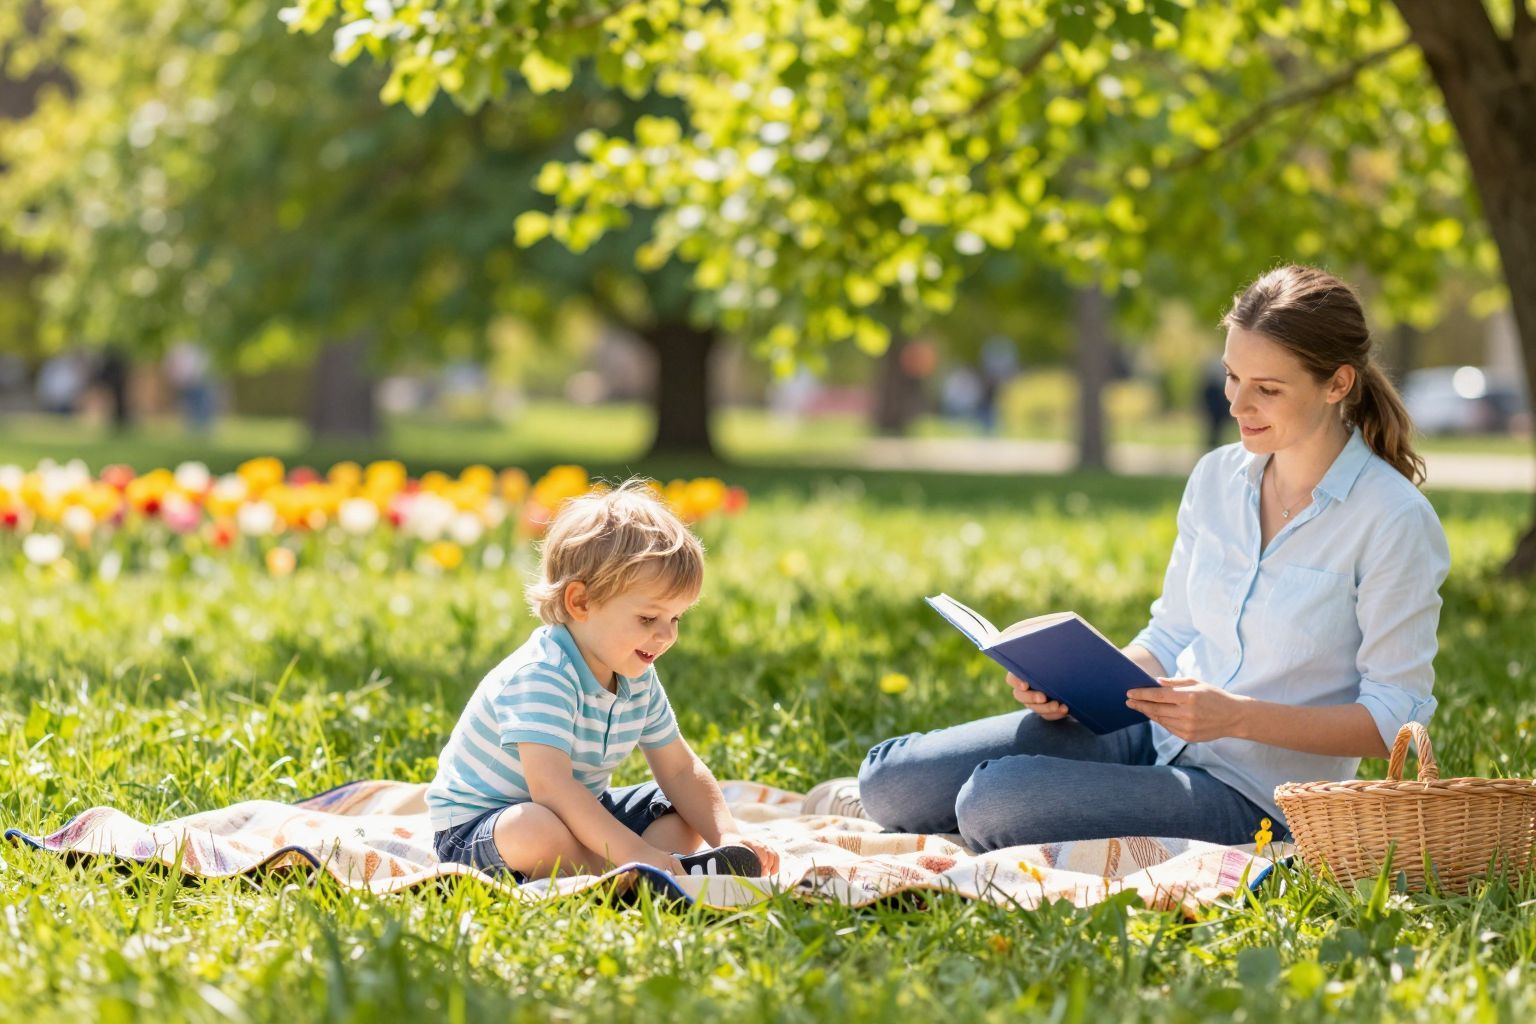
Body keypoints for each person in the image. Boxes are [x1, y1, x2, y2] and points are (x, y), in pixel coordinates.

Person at [857, 265, 1449, 850]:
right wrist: (1076, 682)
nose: (1238, 404)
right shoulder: (1217, 477)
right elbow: (1170, 634)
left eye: (1267, 389)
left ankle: (1107, 797)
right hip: (1151, 732)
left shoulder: (1393, 519)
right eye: (1231, 377)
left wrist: (1234, 716)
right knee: (889, 784)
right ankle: (1114, 790)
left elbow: (1393, 718)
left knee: (995, 800)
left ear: (1338, 384)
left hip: (1256, 797)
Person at [427, 480, 780, 881]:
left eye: (675, 618)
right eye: (648, 618)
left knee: (678, 807)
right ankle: (631, 870)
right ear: (580, 602)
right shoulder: (543, 674)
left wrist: (728, 836)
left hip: (580, 814)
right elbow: (553, 790)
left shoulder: (637, 675)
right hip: (481, 828)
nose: (666, 636)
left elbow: (681, 771)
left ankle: (634, 870)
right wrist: (634, 849)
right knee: (533, 827)